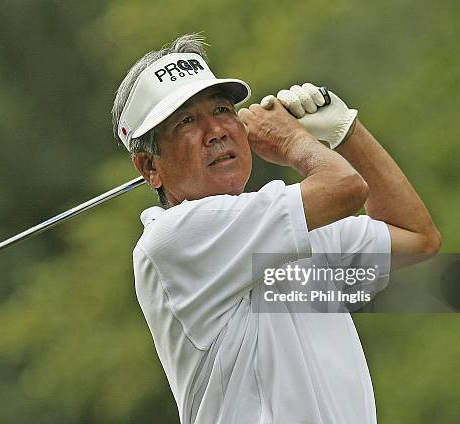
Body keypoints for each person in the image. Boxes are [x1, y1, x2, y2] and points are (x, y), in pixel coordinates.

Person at [112, 34, 440, 424]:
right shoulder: (172, 239)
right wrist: (292, 140)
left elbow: (417, 237)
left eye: (221, 109)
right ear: (150, 167)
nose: (215, 130)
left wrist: (347, 132)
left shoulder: (292, 228)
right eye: (186, 121)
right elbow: (344, 188)